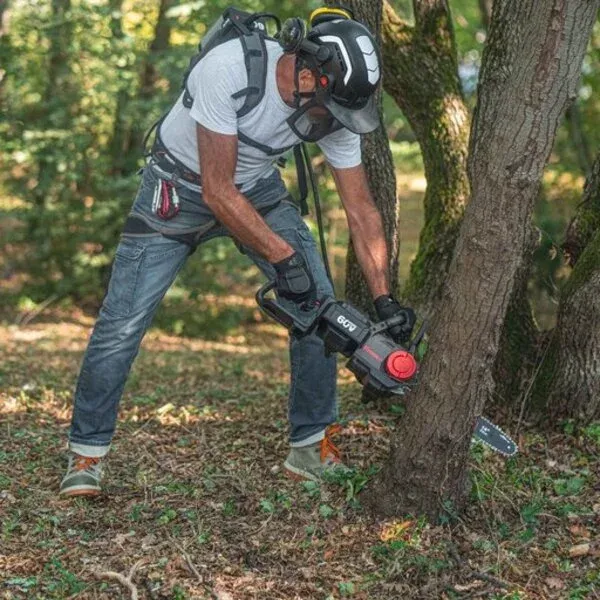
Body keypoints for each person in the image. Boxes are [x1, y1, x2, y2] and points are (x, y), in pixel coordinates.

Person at [59, 5, 415, 497]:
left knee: (320, 306)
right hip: (178, 190)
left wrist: (383, 300)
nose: (332, 122)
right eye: (329, 108)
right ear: (308, 73)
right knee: (122, 322)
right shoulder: (230, 69)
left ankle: (310, 448)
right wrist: (284, 259)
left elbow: (362, 211)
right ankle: (86, 453)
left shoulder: (334, 110)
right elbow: (217, 191)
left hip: (258, 189)